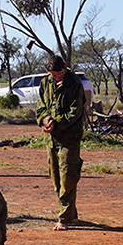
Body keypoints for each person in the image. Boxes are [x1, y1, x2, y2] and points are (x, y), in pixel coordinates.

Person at [36, 55, 85, 231]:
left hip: (69, 137)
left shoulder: (74, 83)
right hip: (51, 138)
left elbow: (75, 112)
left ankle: (64, 217)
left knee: (68, 175)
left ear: (65, 67)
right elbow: (40, 106)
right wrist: (44, 119)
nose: (57, 77)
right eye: (53, 74)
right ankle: (71, 214)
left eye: (59, 73)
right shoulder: (45, 82)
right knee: (55, 176)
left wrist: (56, 123)